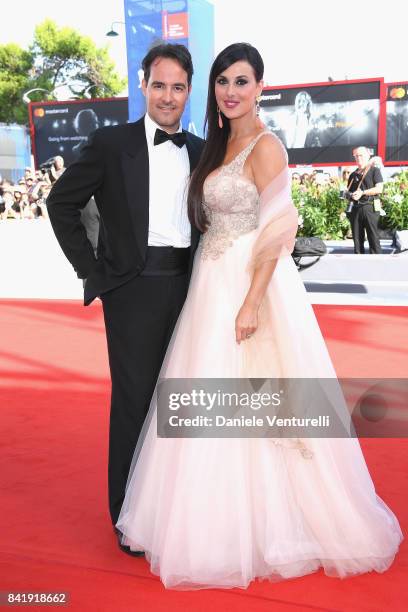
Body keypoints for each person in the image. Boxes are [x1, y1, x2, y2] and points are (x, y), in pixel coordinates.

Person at [115, 43, 402, 590]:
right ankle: (207, 523)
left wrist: (251, 301)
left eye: (241, 81)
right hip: (209, 283)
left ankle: (279, 526)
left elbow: (279, 229)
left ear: (260, 87)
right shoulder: (218, 146)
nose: (230, 91)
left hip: (253, 285)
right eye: (223, 81)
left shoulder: (267, 146)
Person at [46, 43, 205, 553]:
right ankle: (128, 519)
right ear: (143, 84)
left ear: (188, 91)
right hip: (132, 292)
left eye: (178, 87)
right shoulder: (111, 144)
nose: (168, 96)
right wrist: (93, 271)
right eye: (159, 85)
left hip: (192, 289)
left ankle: (175, 510)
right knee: (135, 405)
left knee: (179, 405)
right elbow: (61, 202)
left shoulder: (202, 151)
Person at [346, 146, 383, 254]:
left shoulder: (374, 170)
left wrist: (362, 192)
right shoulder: (353, 174)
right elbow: (349, 192)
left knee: (373, 237)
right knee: (357, 239)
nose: (358, 158)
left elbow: (379, 189)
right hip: (355, 208)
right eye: (356, 156)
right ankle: (358, 263)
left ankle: (377, 263)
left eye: (361, 155)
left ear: (368, 155)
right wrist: (348, 194)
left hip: (369, 206)